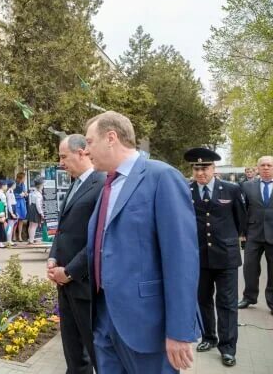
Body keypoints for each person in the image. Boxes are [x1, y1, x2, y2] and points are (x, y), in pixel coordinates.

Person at [84, 111, 199, 373]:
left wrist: (180, 331)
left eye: (90, 142)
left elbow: (181, 259)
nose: (86, 150)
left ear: (111, 137)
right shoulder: (108, 185)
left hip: (148, 326)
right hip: (105, 319)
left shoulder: (161, 177)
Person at [184, 147, 245, 367]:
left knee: (227, 304)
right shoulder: (186, 190)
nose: (200, 172)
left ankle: (228, 348)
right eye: (196, 168)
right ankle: (209, 337)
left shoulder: (231, 189)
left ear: (214, 168)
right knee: (202, 300)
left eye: (205, 168)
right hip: (199, 256)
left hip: (226, 257)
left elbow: (241, 221)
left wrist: (230, 240)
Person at [48, 134, 104, 374]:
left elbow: (98, 240)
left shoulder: (101, 184)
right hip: (65, 283)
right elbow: (64, 229)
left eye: (64, 156)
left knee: (95, 351)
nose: (61, 162)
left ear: (82, 152)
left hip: (84, 283)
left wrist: (70, 272)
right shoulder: (75, 184)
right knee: (73, 352)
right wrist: (52, 256)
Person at [238, 155, 273, 314]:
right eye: (263, 165)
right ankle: (249, 297)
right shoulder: (247, 186)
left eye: (269, 165)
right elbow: (242, 210)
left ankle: (272, 301)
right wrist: (242, 232)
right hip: (253, 234)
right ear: (257, 168)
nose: (266, 168)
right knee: (249, 267)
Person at [27, 177, 44, 244]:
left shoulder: (33, 192)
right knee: (34, 225)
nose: (43, 186)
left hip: (31, 208)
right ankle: (31, 240)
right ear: (40, 185)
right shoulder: (38, 194)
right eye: (42, 185)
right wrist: (41, 213)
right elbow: (38, 205)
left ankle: (31, 239)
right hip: (35, 209)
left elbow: (30, 201)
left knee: (31, 225)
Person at [12, 173, 28, 242]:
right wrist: (20, 195)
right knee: (15, 220)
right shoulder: (14, 184)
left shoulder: (23, 185)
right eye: (24, 178)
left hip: (22, 203)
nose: (25, 179)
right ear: (21, 178)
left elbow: (24, 192)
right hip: (16, 203)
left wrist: (25, 194)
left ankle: (20, 236)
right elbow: (12, 195)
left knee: (21, 220)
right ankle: (14, 236)